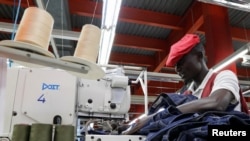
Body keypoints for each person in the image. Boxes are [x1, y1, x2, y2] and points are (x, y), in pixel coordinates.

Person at [122, 33, 249, 135]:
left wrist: (155, 117)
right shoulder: (187, 94)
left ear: (199, 56)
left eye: (181, 62)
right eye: (175, 66)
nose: (177, 69)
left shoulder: (224, 76)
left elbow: (217, 103)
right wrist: (131, 126)